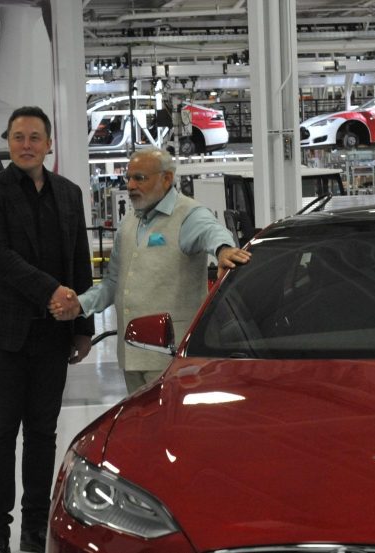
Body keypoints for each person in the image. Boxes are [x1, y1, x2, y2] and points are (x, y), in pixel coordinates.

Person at [0, 106, 94, 553]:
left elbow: (79, 259)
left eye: (35, 137)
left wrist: (82, 325)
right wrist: (51, 292)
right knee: (0, 433)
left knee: (43, 435)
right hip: (2, 336)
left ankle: (34, 529)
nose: (26, 145)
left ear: (49, 143)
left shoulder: (69, 193)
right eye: (18, 137)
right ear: (7, 142)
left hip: (52, 335)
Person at [50, 147, 250, 393]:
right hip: (132, 355)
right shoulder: (129, 222)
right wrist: (79, 305)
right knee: (139, 418)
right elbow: (113, 283)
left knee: (172, 418)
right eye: (129, 178)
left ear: (167, 178)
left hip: (173, 357)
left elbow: (212, 231)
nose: (131, 185)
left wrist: (223, 250)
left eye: (140, 178)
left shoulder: (188, 214)